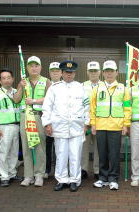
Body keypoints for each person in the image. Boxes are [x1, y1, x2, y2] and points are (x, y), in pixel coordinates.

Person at [42, 61, 89, 192]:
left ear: (74, 73)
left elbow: (87, 107)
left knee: (75, 155)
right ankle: (61, 179)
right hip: (59, 127)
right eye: (66, 72)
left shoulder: (80, 87)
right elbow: (47, 107)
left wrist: (86, 123)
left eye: (71, 72)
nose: (69, 75)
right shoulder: (54, 88)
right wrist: (47, 123)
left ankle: (74, 180)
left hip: (76, 127)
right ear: (62, 73)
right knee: (61, 154)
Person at [90, 60, 131, 190]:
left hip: (116, 126)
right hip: (101, 126)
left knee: (114, 154)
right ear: (103, 73)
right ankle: (103, 178)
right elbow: (93, 108)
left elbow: (127, 108)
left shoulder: (124, 89)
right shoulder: (97, 89)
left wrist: (126, 124)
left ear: (116, 73)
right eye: (107, 71)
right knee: (102, 154)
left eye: (111, 71)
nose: (109, 74)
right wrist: (93, 124)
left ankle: (113, 178)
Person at [13, 56, 52, 187]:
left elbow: (50, 99)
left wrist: (34, 101)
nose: (34, 68)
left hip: (39, 116)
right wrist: (20, 87)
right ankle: (28, 175)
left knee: (40, 146)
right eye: (31, 66)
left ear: (40, 67)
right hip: (25, 117)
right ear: (27, 68)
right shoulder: (23, 81)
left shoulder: (46, 82)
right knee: (26, 146)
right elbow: (16, 99)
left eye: (36, 65)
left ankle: (39, 175)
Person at [0, 68, 22, 187]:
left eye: (9, 78)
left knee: (14, 152)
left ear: (12, 79)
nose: (7, 80)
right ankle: (4, 176)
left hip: (15, 126)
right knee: (3, 152)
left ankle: (12, 173)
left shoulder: (16, 92)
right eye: (4, 78)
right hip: (3, 128)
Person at [81, 61, 101, 180]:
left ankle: (97, 170)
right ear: (87, 72)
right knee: (84, 146)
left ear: (99, 72)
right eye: (91, 71)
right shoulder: (82, 86)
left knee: (99, 147)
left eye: (95, 71)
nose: (93, 73)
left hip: (99, 122)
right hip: (86, 122)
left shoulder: (104, 85)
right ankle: (83, 169)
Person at [44, 62, 62, 179]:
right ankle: (47, 169)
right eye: (53, 70)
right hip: (48, 120)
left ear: (61, 72)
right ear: (49, 72)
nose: (55, 72)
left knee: (59, 148)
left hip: (60, 122)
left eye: (57, 70)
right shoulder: (45, 84)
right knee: (47, 146)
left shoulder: (65, 85)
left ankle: (58, 170)